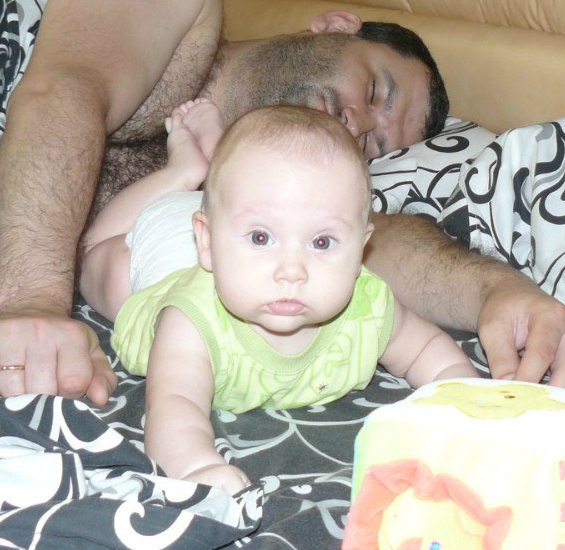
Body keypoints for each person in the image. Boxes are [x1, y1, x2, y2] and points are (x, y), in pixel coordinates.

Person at [1, 3, 564, 405]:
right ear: (336, 26)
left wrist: (495, 290)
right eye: (374, 91)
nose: (355, 124)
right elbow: (65, 88)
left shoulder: (267, 203)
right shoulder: (184, 15)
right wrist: (30, 302)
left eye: (371, 144)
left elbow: (359, 252)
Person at [81, 103, 478, 494]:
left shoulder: (369, 309)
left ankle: (226, 176)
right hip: (165, 253)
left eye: (322, 242)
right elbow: (175, 404)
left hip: (234, 227)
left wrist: (467, 404)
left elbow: (427, 350)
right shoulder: (190, 323)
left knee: (243, 201)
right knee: (96, 261)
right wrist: (196, 466)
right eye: (262, 238)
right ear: (206, 242)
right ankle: (184, 171)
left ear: (361, 248)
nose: (291, 271)